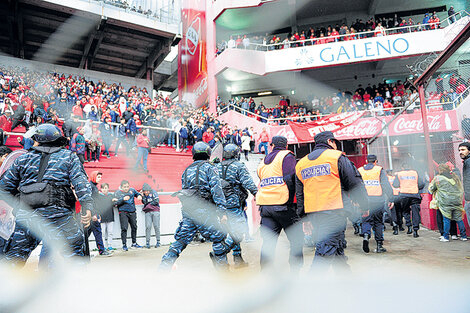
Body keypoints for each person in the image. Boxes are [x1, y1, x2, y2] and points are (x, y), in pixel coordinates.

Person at [0, 124, 92, 266]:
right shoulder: (69, 157)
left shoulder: (22, 159)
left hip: (27, 217)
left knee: (14, 259)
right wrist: (87, 205)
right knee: (75, 257)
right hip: (59, 216)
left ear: (37, 138)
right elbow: (81, 183)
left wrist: (20, 204)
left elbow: (4, 187)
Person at [295, 131, 368, 270]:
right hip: (334, 212)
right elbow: (354, 183)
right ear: (330, 142)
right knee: (325, 252)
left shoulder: (301, 164)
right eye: (335, 142)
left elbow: (300, 195)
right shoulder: (336, 157)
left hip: (314, 214)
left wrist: (304, 218)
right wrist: (364, 205)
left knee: (337, 248)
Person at [160, 142, 234, 269]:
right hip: (205, 211)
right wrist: (222, 212)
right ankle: (223, 272)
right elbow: (217, 190)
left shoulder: (187, 170)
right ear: (208, 153)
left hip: (188, 211)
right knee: (219, 238)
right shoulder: (211, 168)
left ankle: (163, 268)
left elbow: (185, 190)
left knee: (180, 241)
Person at [256, 136, 303, 271]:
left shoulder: (263, 161)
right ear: (286, 146)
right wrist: (292, 201)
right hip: (283, 205)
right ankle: (295, 272)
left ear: (271, 145)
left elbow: (261, 179)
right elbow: (290, 178)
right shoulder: (286, 156)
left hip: (265, 207)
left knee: (268, 243)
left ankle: (266, 272)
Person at [217, 144, 257, 267]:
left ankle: (237, 258)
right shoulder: (238, 166)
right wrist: (256, 193)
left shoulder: (216, 167)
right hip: (234, 203)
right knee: (238, 231)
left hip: (220, 204)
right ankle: (221, 253)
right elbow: (247, 182)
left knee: (231, 231)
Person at [358, 155, 393, 253]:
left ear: (366, 161)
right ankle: (379, 246)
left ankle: (365, 236)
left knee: (366, 220)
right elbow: (385, 184)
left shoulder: (360, 170)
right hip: (378, 200)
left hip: (365, 201)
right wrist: (390, 198)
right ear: (376, 161)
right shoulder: (379, 170)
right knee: (378, 222)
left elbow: (356, 185)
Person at [429, 164, 467, 242]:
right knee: (459, 219)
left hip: (445, 202)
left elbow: (431, 189)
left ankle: (445, 237)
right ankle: (463, 236)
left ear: (440, 170)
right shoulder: (455, 177)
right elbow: (460, 188)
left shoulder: (437, 178)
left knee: (446, 219)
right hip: (457, 201)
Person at [393, 162, 425, 238]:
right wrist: (416, 188)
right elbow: (421, 184)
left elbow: (395, 185)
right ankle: (416, 230)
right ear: (410, 167)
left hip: (404, 195)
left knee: (405, 211)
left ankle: (409, 226)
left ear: (402, 168)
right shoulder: (415, 173)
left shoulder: (399, 174)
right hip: (415, 195)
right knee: (415, 212)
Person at [113, 180, 142, 251]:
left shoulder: (132, 190)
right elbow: (114, 203)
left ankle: (134, 243)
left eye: (127, 187)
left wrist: (139, 196)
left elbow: (138, 194)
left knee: (134, 227)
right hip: (123, 212)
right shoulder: (118, 192)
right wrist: (123, 199)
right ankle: (124, 245)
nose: (126, 188)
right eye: (125, 187)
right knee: (124, 228)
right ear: (121, 187)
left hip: (132, 211)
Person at [88, 171, 111, 256]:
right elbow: (90, 201)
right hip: (92, 213)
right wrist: (94, 214)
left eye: (100, 177)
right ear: (93, 176)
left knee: (87, 233)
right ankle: (101, 250)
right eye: (98, 177)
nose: (100, 179)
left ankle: (82, 250)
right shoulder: (91, 187)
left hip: (93, 213)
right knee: (97, 232)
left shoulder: (94, 187)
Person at [141, 183, 161, 249]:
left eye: (147, 191)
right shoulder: (144, 194)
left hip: (155, 211)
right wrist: (142, 196)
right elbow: (144, 202)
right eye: (145, 191)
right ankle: (147, 242)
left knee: (156, 226)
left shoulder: (153, 192)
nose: (146, 192)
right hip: (148, 212)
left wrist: (149, 205)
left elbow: (156, 201)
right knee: (148, 226)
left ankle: (158, 241)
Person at [387, 170, 405, 235]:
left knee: (393, 212)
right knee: (399, 211)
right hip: (398, 195)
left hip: (391, 196)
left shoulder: (386, 178)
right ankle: (400, 226)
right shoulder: (396, 178)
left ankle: (395, 228)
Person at [98, 183, 115, 251]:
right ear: (101, 189)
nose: (105, 189)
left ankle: (110, 245)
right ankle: (104, 246)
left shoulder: (111, 195)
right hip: (102, 217)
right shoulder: (99, 196)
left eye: (106, 188)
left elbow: (115, 203)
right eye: (103, 188)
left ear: (108, 188)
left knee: (110, 232)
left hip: (110, 216)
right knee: (103, 233)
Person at [458, 142, 470, 227]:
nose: (460, 152)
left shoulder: (468, 162)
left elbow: (468, 179)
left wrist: (468, 197)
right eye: (459, 150)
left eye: (463, 150)